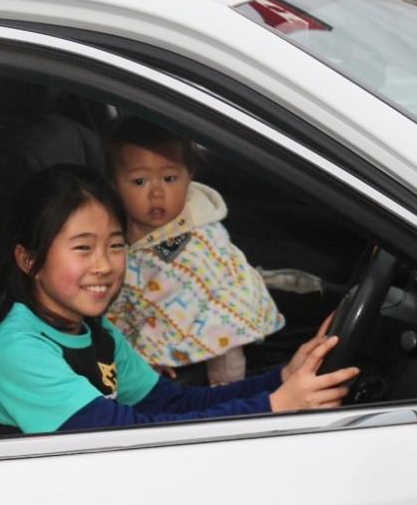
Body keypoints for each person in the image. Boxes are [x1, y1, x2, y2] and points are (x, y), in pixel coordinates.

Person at [0, 165, 356, 435]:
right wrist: (275, 407)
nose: (104, 266)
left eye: (115, 246)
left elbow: (171, 404)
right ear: (29, 260)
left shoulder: (95, 331)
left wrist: (281, 379)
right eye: (83, 248)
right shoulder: (19, 351)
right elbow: (128, 437)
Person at [104, 118, 284, 385]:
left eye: (169, 178)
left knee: (226, 344)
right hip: (145, 356)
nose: (156, 193)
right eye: (140, 181)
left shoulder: (201, 239)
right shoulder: (114, 228)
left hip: (216, 339)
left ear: (190, 176)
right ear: (114, 184)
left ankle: (225, 393)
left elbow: (224, 300)